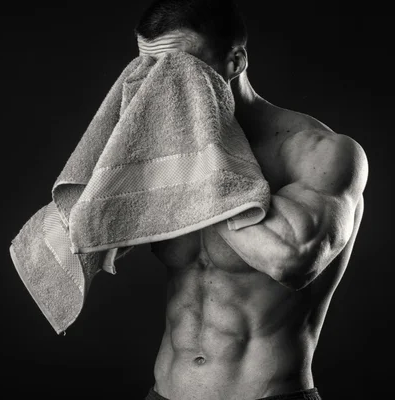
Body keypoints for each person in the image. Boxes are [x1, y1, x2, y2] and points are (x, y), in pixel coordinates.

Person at [134, 1, 369, 399]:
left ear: (236, 61)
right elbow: (84, 237)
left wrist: (203, 161)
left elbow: (291, 259)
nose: (161, 87)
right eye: (147, 71)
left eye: (183, 70)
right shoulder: (164, 152)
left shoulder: (317, 152)